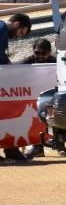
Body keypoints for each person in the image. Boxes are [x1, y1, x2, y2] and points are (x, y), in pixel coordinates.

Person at [1, 13, 32, 162]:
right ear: (17, 24)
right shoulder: (1, 28)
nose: (19, 36)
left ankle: (11, 149)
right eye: (21, 32)